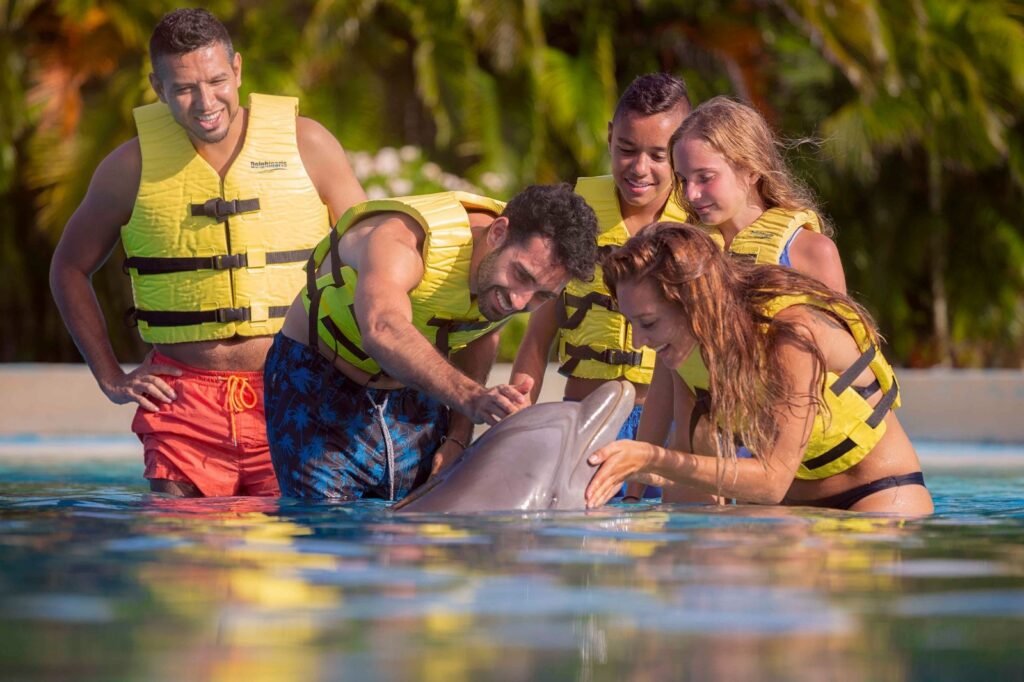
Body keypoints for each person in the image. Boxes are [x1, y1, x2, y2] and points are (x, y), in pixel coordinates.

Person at [49, 8, 366, 497]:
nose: (205, 102)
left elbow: (373, 257)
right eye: (183, 88)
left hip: (294, 390)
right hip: (181, 402)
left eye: (217, 80)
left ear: (237, 69)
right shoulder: (128, 167)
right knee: (182, 563)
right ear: (156, 85)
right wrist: (109, 376)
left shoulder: (309, 144)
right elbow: (68, 267)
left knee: (281, 563)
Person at [265, 184, 599, 500]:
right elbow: (383, 328)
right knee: (329, 530)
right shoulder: (403, 241)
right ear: (497, 233)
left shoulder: (508, 277)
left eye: (541, 294)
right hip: (319, 388)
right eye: (522, 276)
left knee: (419, 535)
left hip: (416, 393)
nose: (518, 301)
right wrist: (473, 398)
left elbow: (479, 334)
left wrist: (458, 435)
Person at [584, 223, 933, 515]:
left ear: (691, 300)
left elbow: (770, 480)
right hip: (790, 504)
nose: (640, 343)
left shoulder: (791, 334)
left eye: (648, 322)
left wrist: (650, 458)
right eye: (633, 325)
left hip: (877, 492)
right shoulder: (686, 351)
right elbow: (692, 480)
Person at [510, 73, 691, 500]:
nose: (639, 168)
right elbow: (539, 335)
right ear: (610, 138)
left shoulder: (702, 228)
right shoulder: (573, 218)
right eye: (626, 149)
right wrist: (520, 409)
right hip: (585, 420)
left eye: (657, 155)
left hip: (668, 432)